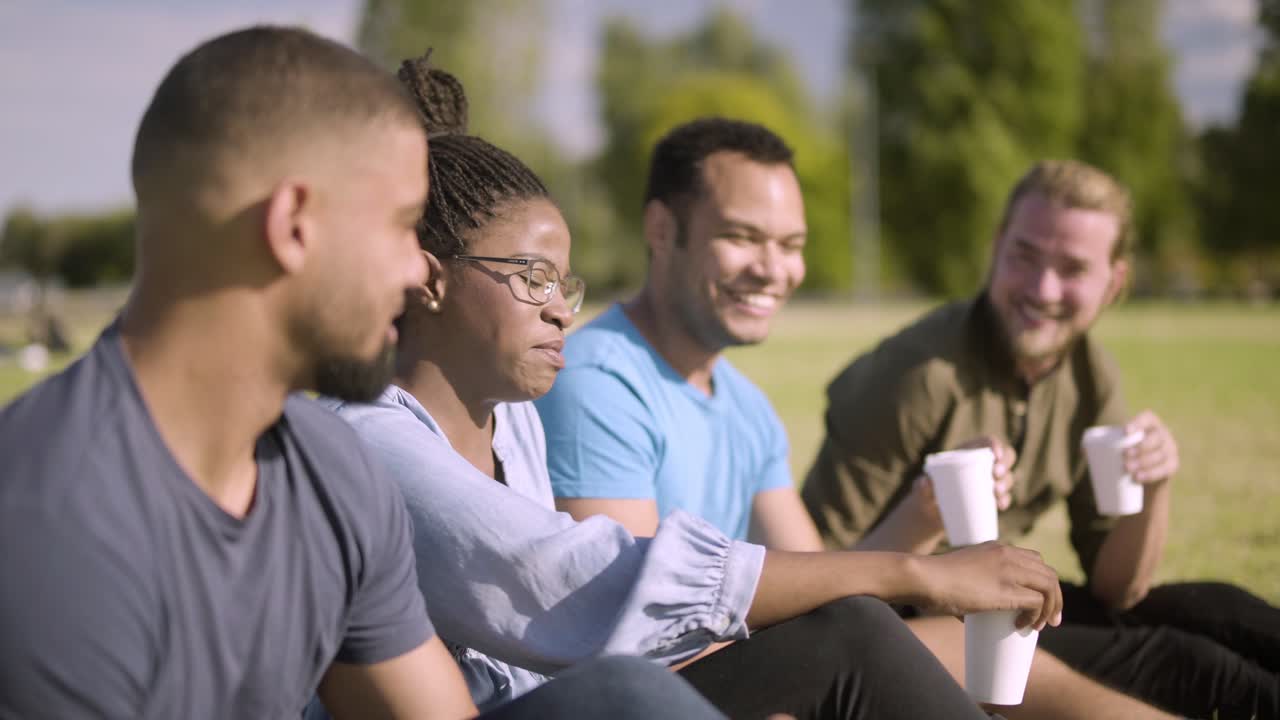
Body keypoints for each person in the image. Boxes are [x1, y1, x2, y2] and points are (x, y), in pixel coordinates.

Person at [327, 56, 1093, 720]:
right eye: (532, 278)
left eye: (564, 284)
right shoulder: (367, 442)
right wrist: (917, 571)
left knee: (850, 635)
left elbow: (815, 585)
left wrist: (921, 535)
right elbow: (573, 585)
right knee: (640, 688)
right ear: (429, 279)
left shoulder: (513, 419)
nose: (561, 309)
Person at [0, 27, 725, 720]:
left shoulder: (329, 467)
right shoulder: (49, 518)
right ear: (293, 225)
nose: (418, 270)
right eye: (401, 226)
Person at [536, 120, 1185, 720]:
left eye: (791, 245)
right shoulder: (599, 383)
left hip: (724, 671)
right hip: (635, 696)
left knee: (918, 639)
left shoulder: (744, 405)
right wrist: (923, 575)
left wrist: (926, 510)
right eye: (741, 237)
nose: (772, 268)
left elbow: (822, 582)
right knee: (856, 637)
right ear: (660, 229)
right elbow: (636, 629)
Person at [799, 159, 1279, 719]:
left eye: (1072, 268)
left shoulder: (1091, 377)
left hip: (1004, 604)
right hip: (917, 629)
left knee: (1225, 610)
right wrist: (929, 505)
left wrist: (1155, 487)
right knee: (1198, 669)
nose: (1042, 288)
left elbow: (1117, 590)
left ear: (1114, 283)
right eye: (1024, 257)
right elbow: (819, 593)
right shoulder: (913, 375)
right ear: (996, 248)